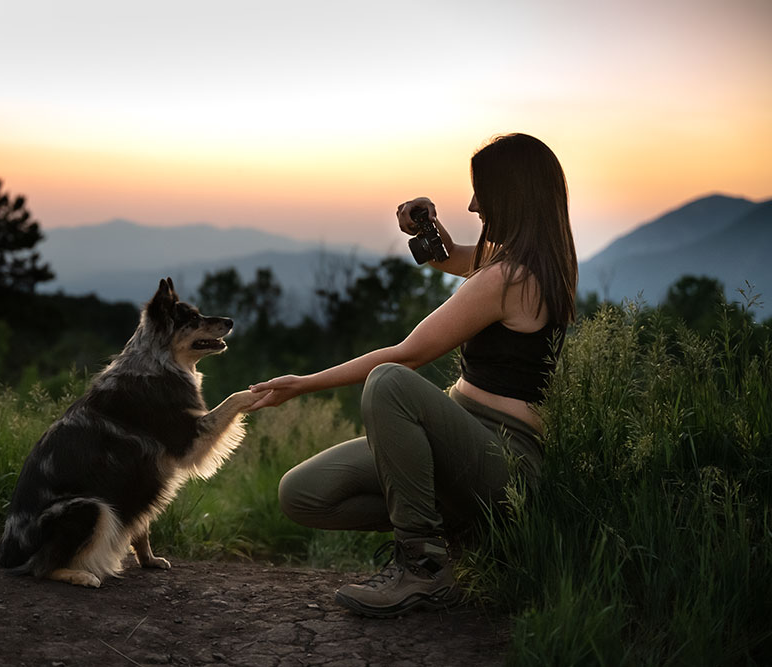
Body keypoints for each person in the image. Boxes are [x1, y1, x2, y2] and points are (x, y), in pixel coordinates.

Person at [247, 133, 578, 618]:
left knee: (389, 382)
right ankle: (468, 531)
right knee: (303, 495)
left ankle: (421, 566)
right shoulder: (532, 262)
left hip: (505, 459)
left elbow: (407, 357)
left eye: (481, 192)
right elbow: (452, 260)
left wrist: (302, 383)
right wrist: (430, 229)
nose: (472, 204)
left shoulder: (514, 277)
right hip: (462, 441)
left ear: (512, 192)